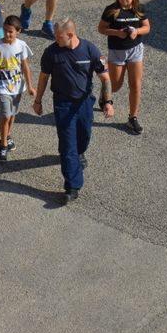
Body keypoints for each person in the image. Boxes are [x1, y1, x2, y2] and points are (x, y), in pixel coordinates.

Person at [31, 19, 113, 204]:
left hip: (84, 103)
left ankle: (79, 153)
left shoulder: (90, 50)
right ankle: (72, 186)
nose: (55, 39)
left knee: (83, 137)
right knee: (68, 145)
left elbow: (105, 78)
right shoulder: (51, 53)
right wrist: (38, 101)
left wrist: (107, 102)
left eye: (58, 36)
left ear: (70, 35)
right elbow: (44, 77)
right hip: (63, 104)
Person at [99, 0, 152, 135]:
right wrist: (117, 33)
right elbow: (101, 28)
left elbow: (147, 27)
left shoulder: (139, 9)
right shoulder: (111, 10)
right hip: (117, 51)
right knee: (115, 85)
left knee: (136, 85)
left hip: (136, 50)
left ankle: (132, 117)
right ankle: (104, 95)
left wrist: (137, 32)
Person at [0, 15, 34, 162]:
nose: (7, 34)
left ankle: (7, 135)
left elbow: (25, 66)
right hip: (1, 87)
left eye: (10, 31)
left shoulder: (21, 46)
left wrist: (30, 86)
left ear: (18, 31)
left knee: (13, 115)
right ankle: (3, 145)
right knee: (6, 115)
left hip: (18, 87)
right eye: (5, 30)